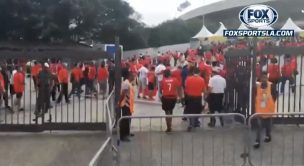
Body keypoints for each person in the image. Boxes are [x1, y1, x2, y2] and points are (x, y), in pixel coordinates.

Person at [254, 72, 276, 149]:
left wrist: (270, 103)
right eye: (262, 77)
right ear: (260, 78)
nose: (264, 79)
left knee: (268, 125)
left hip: (268, 110)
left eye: (265, 77)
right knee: (259, 126)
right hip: (260, 110)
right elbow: (255, 95)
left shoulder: (271, 85)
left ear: (267, 78)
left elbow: (274, 96)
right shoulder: (258, 86)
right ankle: (257, 141)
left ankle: (268, 136)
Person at [119, 71, 135, 142]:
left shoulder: (129, 83)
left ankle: (127, 132)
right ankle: (123, 136)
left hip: (129, 105)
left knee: (128, 119)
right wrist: (119, 102)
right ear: (130, 76)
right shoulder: (126, 83)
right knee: (125, 120)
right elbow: (123, 94)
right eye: (133, 76)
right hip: (125, 104)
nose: (134, 78)